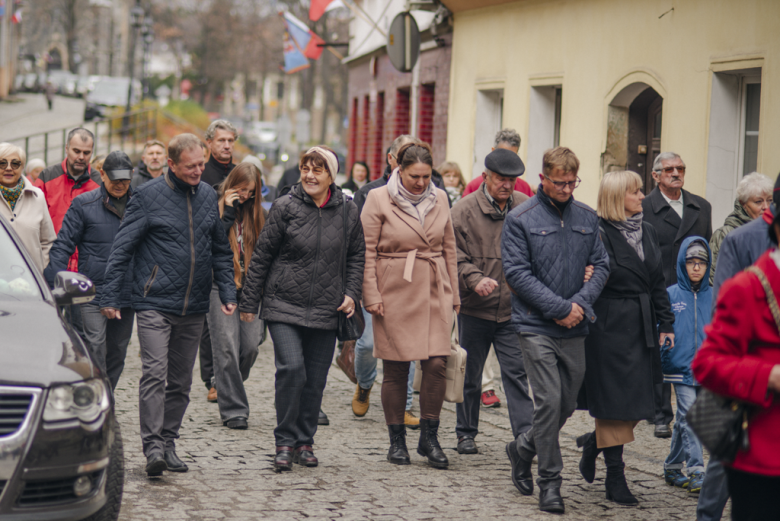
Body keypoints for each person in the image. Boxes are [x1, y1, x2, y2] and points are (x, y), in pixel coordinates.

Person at [101, 133, 237, 477]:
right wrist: (110, 296)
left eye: (202, 165)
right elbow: (122, 249)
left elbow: (219, 248)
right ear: (172, 164)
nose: (198, 171)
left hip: (193, 306)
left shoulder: (208, 195)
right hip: (153, 302)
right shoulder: (147, 196)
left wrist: (228, 291)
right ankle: (152, 448)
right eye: (191, 166)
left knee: (179, 381)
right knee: (154, 373)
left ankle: (169, 441)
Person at [239, 146, 364, 471]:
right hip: (284, 305)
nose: (309, 175)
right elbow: (263, 255)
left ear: (331, 176)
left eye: (317, 170)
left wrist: (351, 292)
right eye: (305, 168)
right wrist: (250, 302)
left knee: (315, 379)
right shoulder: (284, 207)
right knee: (292, 369)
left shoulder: (348, 212)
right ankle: (284, 441)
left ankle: (304, 441)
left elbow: (356, 257)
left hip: (327, 307)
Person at [502, 146, 609, 514]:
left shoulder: (586, 217)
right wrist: (560, 309)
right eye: (560, 183)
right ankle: (551, 483)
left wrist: (578, 304)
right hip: (534, 324)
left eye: (572, 182)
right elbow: (517, 274)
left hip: (575, 325)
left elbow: (602, 265)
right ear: (543, 179)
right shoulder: (521, 219)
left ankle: (523, 447)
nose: (567, 189)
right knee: (548, 400)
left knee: (564, 404)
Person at [576, 170, 674, 506]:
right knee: (613, 404)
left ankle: (593, 442)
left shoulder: (646, 229)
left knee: (640, 402)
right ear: (619, 198)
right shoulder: (597, 233)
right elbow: (583, 277)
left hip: (642, 322)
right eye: (635, 192)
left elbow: (657, 282)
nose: (642, 197)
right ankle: (615, 479)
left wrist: (667, 323)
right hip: (608, 327)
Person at [361, 141, 459, 470]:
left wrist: (454, 295)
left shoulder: (440, 197)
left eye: (426, 176)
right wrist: (370, 294)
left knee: (436, 364)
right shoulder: (378, 198)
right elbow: (366, 251)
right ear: (399, 170)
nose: (421, 183)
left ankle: (429, 437)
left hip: (434, 286)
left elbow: (449, 247)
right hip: (394, 289)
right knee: (397, 368)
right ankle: (396, 440)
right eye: (414, 176)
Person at [697, 174, 778, 521]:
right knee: (720, 451)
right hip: (758, 441)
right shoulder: (746, 279)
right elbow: (708, 361)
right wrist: (766, 376)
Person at [452, 148, 533, 455]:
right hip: (474, 308)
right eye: (501, 178)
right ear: (485, 176)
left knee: (516, 375)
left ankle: (525, 437)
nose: (507, 185)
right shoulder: (463, 211)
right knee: (469, 375)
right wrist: (474, 278)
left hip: (513, 310)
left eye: (512, 180)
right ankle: (465, 433)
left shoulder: (527, 208)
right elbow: (453, 256)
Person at [44, 151, 136, 390]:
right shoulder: (84, 204)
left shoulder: (141, 206)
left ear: (132, 176)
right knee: (95, 346)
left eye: (124, 179)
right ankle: (99, 403)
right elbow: (63, 244)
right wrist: (53, 280)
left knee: (117, 351)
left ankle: (105, 394)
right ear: (102, 174)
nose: (119, 184)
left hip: (127, 292)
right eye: (114, 178)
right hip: (91, 291)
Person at [350, 135, 424, 431]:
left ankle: (404, 405)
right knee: (367, 344)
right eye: (404, 155)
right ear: (392, 159)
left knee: (407, 346)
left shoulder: (428, 193)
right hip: (376, 277)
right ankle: (365, 383)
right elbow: (357, 241)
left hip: (411, 281)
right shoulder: (370, 193)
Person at [642, 151, 712, 439]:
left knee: (692, 343)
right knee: (663, 347)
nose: (676, 173)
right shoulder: (645, 206)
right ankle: (661, 413)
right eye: (668, 169)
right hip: (659, 288)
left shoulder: (701, 206)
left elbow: (705, 246)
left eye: (680, 168)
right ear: (656, 175)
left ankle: (695, 407)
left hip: (693, 289)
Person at [210, 163, 266, 430]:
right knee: (226, 347)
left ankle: (224, 382)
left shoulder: (258, 215)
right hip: (219, 285)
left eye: (250, 192)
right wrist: (228, 212)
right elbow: (210, 244)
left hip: (250, 288)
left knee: (251, 345)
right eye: (241, 190)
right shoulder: (214, 205)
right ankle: (234, 409)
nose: (245, 196)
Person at [661, 237, 711, 494]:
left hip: (705, 370)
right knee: (690, 417)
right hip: (679, 367)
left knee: (684, 419)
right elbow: (661, 327)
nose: (695, 268)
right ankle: (696, 472)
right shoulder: (670, 295)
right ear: (682, 263)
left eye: (700, 263)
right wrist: (665, 352)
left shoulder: (714, 295)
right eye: (690, 262)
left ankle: (671, 467)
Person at [0, 143, 55, 272]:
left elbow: (48, 241)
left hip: (31, 282)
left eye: (15, 164)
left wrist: (41, 270)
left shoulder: (38, 196)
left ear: (22, 167)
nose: (8, 168)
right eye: (2, 163)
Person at [709, 172, 772, 285]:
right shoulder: (726, 234)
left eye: (770, 200)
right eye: (758, 201)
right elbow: (714, 280)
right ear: (743, 204)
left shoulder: (775, 233)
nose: (766, 207)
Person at [39, 128, 101, 237]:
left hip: (85, 253)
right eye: (76, 151)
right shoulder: (46, 177)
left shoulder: (100, 183)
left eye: (86, 153)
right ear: (66, 149)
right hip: (53, 250)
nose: (81, 157)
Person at [462, 129, 534, 198]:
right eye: (503, 155)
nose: (507, 160)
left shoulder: (524, 188)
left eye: (512, 156)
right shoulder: (474, 186)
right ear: (493, 151)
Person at [201, 120, 238, 187]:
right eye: (221, 140)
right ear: (209, 143)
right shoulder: (199, 175)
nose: (227, 146)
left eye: (230, 140)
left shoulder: (241, 174)